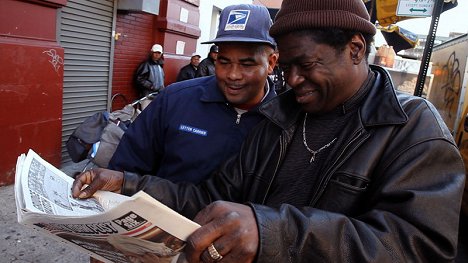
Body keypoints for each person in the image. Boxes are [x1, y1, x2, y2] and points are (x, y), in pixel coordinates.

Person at [73, 0, 466, 262]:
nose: (293, 80)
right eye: (286, 68)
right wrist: (126, 183)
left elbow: (421, 246)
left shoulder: (412, 128)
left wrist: (275, 233)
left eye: (306, 64)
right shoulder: (281, 118)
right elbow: (210, 197)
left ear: (356, 49)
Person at [107, 4, 278, 184]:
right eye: (224, 62)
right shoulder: (173, 100)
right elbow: (123, 171)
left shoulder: (285, 122)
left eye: (247, 64)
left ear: (271, 63)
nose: (233, 75)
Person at [135, 44, 165, 109]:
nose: (157, 55)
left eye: (159, 53)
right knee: (146, 115)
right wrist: (150, 86)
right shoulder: (146, 64)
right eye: (155, 52)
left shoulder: (160, 65)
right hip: (147, 96)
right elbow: (139, 79)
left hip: (157, 95)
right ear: (151, 52)